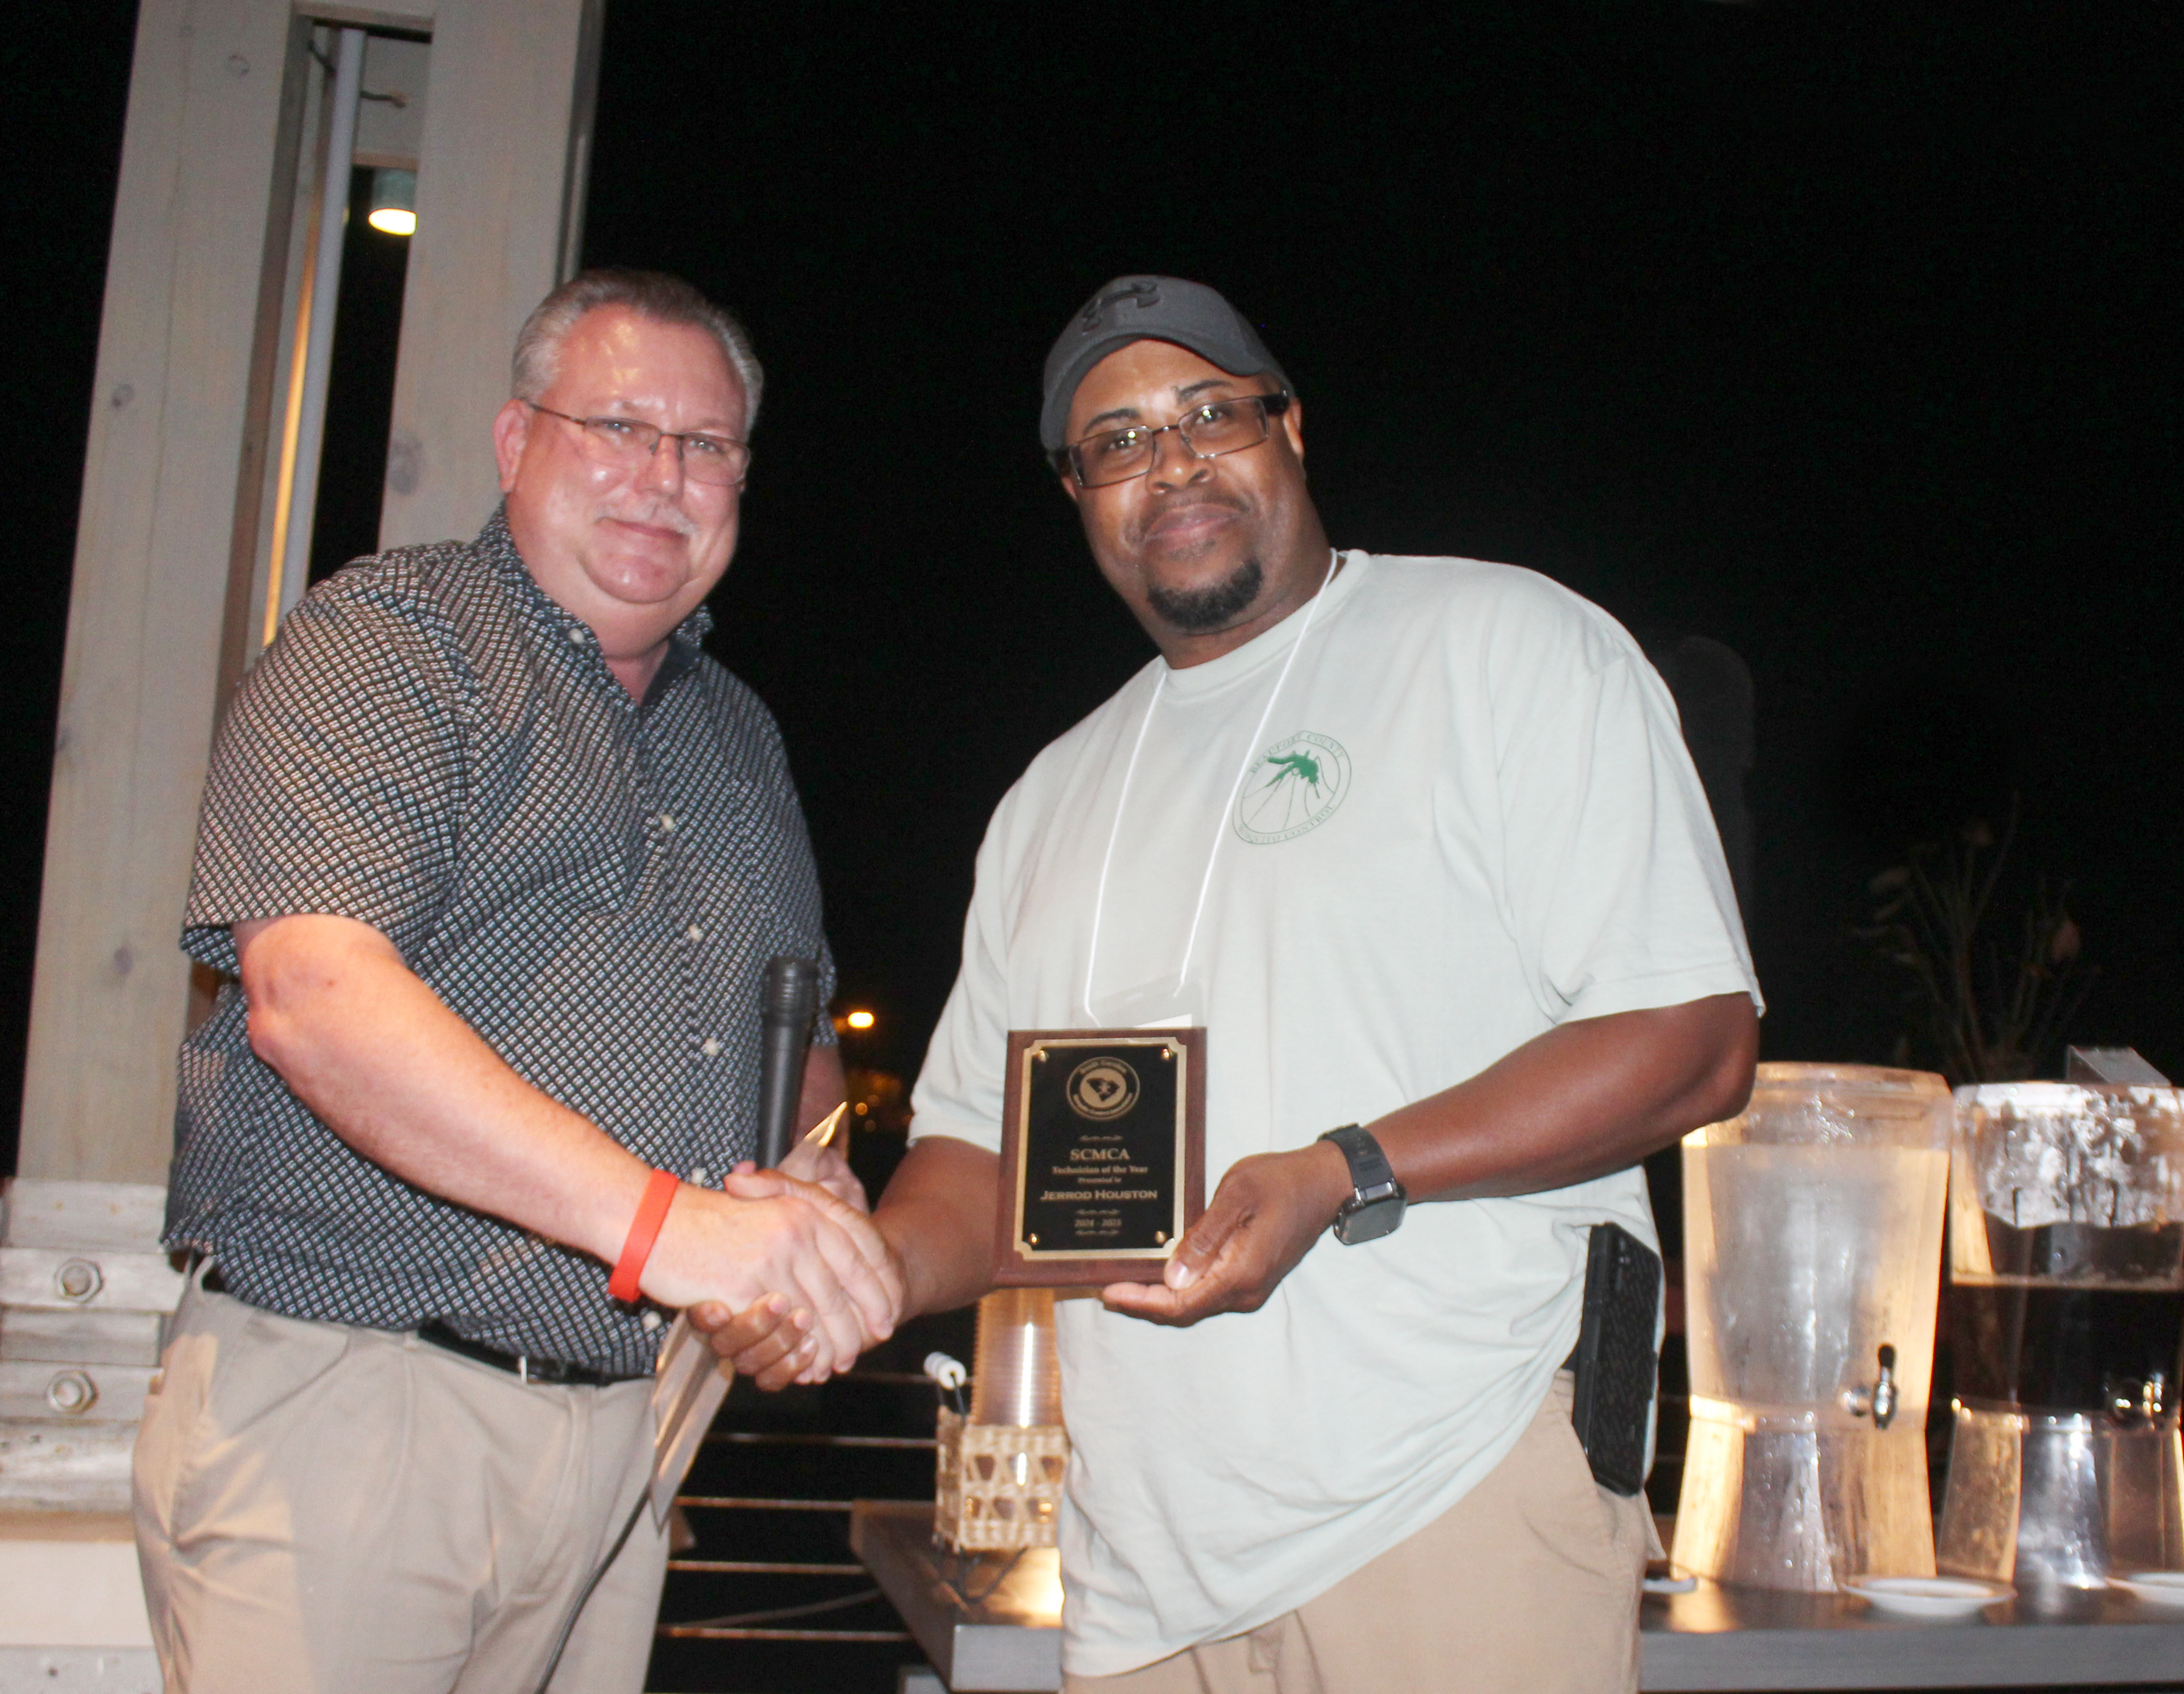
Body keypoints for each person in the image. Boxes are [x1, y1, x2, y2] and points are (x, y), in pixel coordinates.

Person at [702, 276, 1760, 1692]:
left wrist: (1342, 1170)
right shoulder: (1053, 797)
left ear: (1293, 430)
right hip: (1144, 1568)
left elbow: (1692, 1038)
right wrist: (864, 1273)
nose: (1173, 462)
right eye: (1119, 441)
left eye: (1211, 413)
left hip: (1453, 1493)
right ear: (1078, 493)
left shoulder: (1505, 644)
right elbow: (983, 1158)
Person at [134, 268, 901, 1694]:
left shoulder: (741, 737)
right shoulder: (390, 638)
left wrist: (811, 1201)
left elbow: (792, 1057)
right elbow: (315, 995)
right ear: (513, 441)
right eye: (615, 426)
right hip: (352, 1404)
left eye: (705, 446)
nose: (660, 479)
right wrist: (670, 1229)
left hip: (629, 1438)